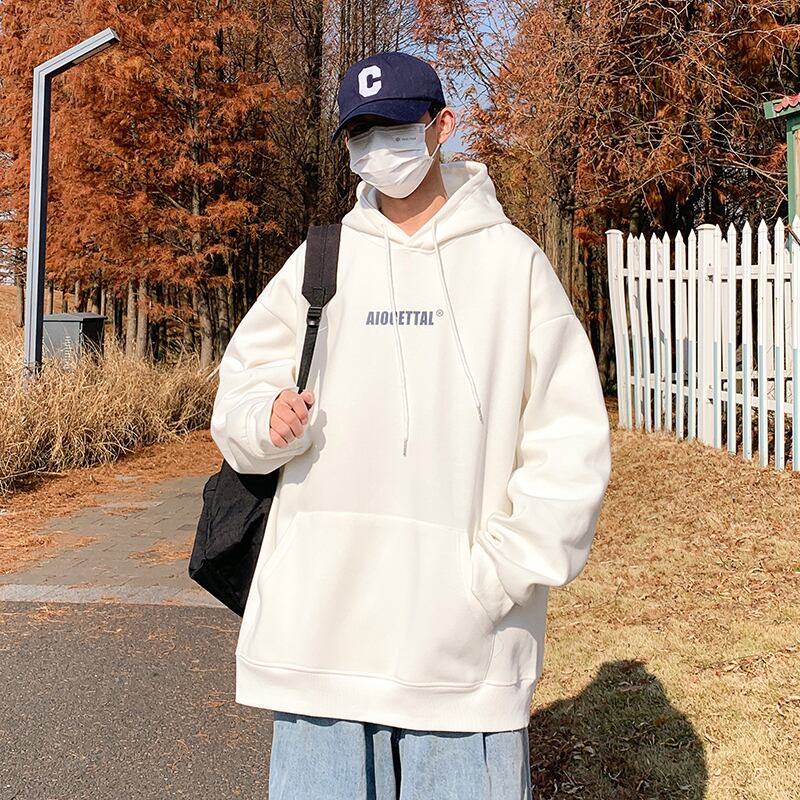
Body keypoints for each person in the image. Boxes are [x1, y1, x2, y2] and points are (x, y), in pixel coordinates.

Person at [210, 50, 612, 800]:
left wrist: (498, 577)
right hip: (320, 648)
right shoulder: (321, 260)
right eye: (360, 134)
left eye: (393, 127)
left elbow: (570, 444)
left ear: (441, 125)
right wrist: (266, 420)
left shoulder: (512, 266)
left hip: (463, 663)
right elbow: (238, 396)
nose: (377, 149)